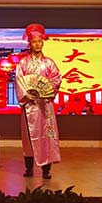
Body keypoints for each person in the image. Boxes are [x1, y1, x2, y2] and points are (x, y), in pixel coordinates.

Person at [15, 23, 62, 179]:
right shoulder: (23, 63)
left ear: (43, 43)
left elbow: (56, 79)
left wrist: (46, 90)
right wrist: (25, 94)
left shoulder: (49, 63)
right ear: (30, 44)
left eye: (39, 41)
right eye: (34, 42)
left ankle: (46, 170)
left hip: (45, 106)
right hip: (29, 105)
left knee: (46, 137)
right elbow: (19, 80)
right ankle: (29, 168)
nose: (37, 44)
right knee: (28, 138)